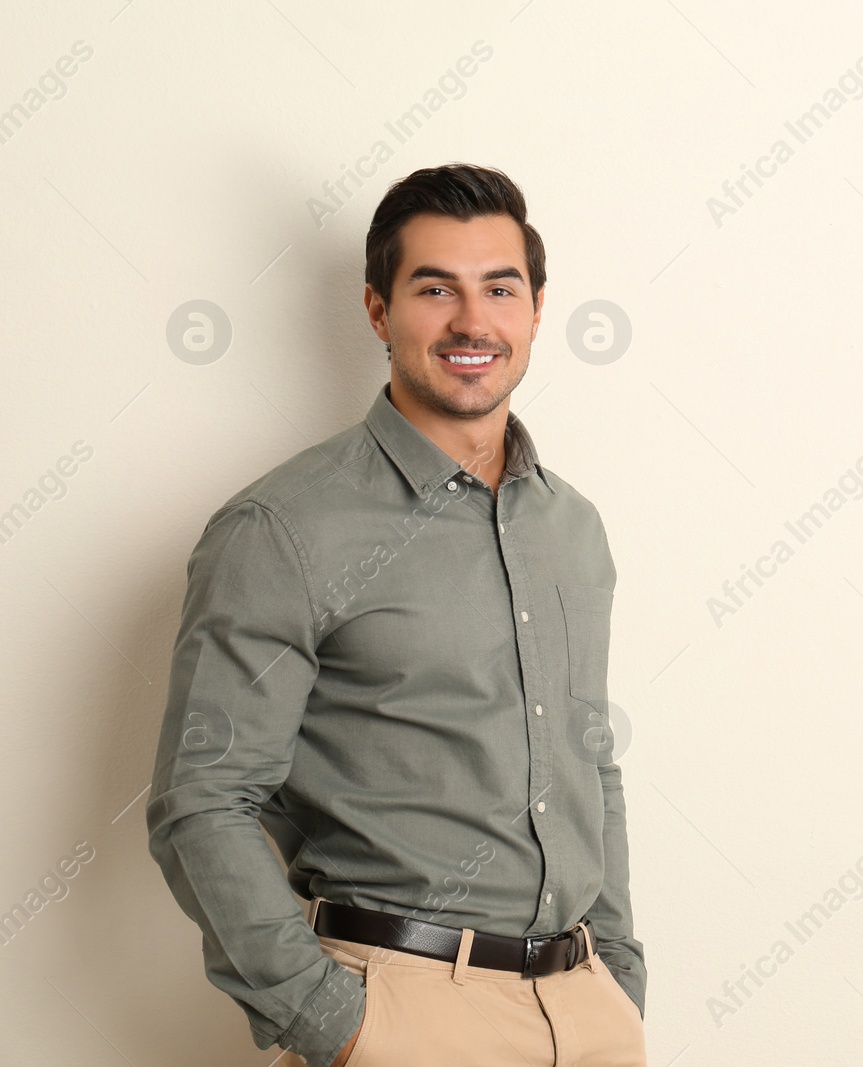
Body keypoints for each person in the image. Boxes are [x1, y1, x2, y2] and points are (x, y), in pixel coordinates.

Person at [146, 163, 646, 1067]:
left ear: (536, 308)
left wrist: (618, 977)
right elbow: (202, 798)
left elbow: (589, 762)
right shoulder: (287, 528)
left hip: (587, 1016)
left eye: (500, 287)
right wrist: (336, 1022)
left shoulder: (573, 527)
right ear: (378, 311)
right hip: (403, 1015)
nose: (472, 320)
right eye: (434, 289)